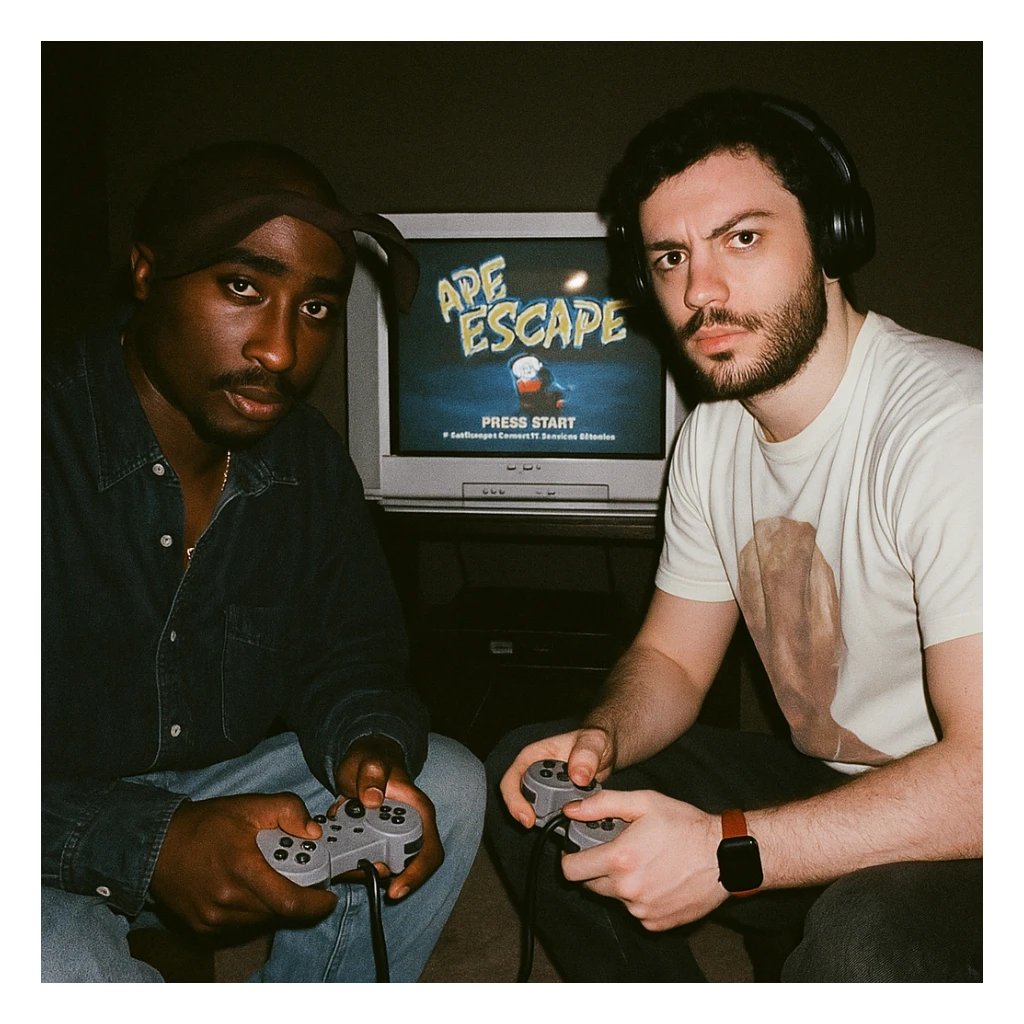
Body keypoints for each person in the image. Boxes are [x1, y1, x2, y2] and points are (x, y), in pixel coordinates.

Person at [485, 90, 982, 982]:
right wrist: (599, 738)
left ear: (829, 236)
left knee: (869, 934)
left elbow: (995, 779)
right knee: (536, 789)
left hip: (976, 823)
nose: (698, 291)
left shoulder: (956, 425)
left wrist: (727, 851)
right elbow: (672, 663)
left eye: (741, 239)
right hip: (832, 785)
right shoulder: (713, 436)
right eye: (670, 256)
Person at [42, 140, 485, 982]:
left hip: (211, 789)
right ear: (146, 272)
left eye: (317, 308)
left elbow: (351, 652)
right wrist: (147, 839)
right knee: (54, 952)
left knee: (451, 790)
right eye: (243, 287)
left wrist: (366, 747)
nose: (281, 352)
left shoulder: (308, 463)